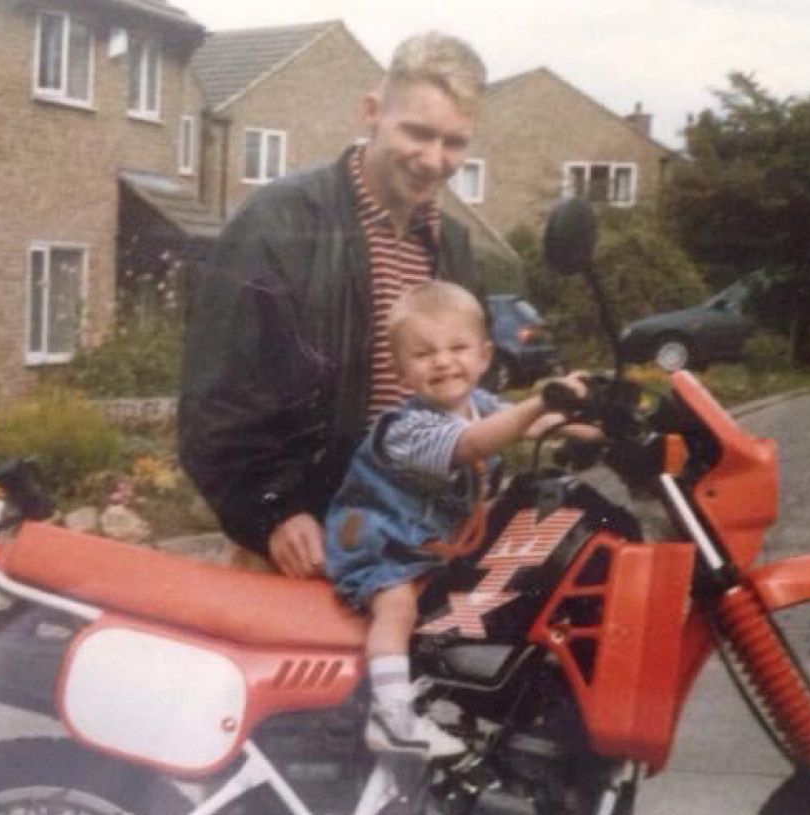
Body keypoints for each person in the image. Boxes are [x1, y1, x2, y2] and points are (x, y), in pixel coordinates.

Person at [179, 32, 487, 576]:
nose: (434, 160)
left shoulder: (451, 246)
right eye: (417, 132)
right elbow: (216, 402)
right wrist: (273, 511)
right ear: (371, 112)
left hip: (410, 539)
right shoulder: (277, 222)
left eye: (454, 142)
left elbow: (461, 384)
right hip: (304, 547)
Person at [323, 281, 589, 759]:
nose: (443, 361)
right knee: (397, 606)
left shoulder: (481, 406)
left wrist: (588, 420)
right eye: (424, 354)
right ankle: (393, 716)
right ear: (401, 370)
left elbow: (531, 424)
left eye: (458, 348)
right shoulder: (408, 429)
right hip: (382, 544)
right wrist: (540, 402)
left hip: (432, 546)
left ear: (485, 356)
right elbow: (472, 444)